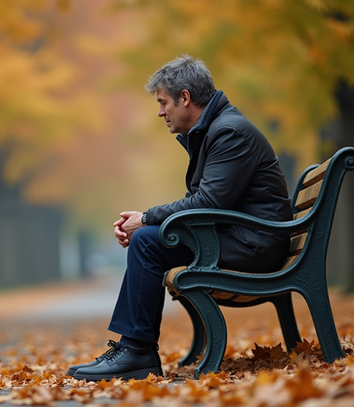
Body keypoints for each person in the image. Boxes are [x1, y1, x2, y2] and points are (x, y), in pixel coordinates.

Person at [68, 56, 292, 381]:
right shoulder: (219, 129)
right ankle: (133, 349)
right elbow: (207, 203)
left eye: (163, 102)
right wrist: (145, 221)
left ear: (185, 98)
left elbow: (207, 202)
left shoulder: (229, 133)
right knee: (147, 240)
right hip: (243, 237)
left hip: (255, 245)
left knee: (146, 242)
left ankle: (136, 351)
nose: (160, 112)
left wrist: (145, 219)